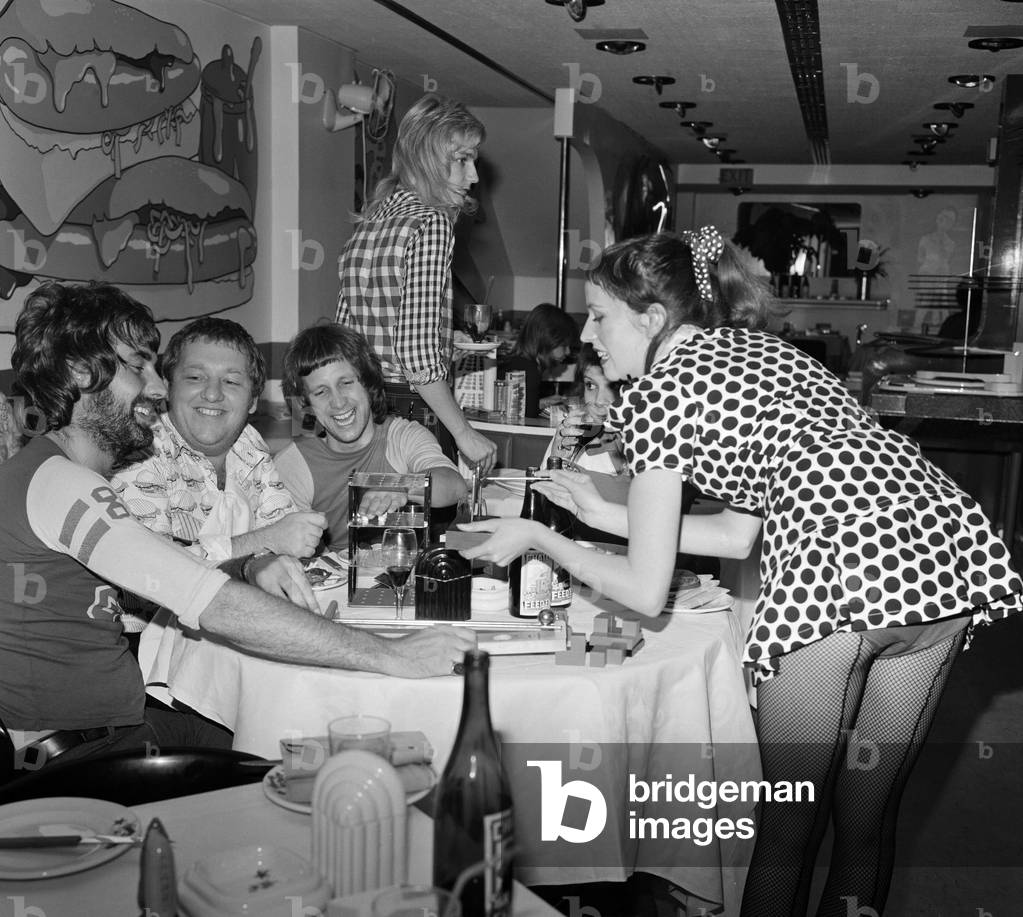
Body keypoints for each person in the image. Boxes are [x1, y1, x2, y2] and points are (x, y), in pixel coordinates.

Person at [458, 229, 1022, 917]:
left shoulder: (658, 395)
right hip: (937, 551)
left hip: (839, 562)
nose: (587, 333)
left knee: (788, 820)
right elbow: (733, 531)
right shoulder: (763, 352)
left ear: (652, 319)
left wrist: (541, 534)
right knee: (866, 814)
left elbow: (642, 590)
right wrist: (603, 516)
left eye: (599, 315)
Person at [0, 282, 475, 768]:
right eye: (139, 366)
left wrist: (254, 562)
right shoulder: (60, 485)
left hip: (120, 727)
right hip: (77, 759)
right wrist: (393, 655)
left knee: (311, 750)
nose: (160, 388)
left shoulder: (62, 474)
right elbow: (212, 601)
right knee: (306, 760)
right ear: (81, 372)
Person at [336, 93, 497, 474]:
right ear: (428, 157)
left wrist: (445, 345)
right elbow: (416, 355)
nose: (473, 176)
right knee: (426, 528)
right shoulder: (432, 222)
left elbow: (346, 336)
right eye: (462, 159)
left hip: (364, 404)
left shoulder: (373, 220)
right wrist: (464, 433)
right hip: (411, 409)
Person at [276, 323, 467, 551]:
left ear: (367, 383)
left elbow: (455, 487)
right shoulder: (294, 463)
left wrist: (401, 486)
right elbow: (288, 549)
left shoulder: (402, 436)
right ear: (306, 403)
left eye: (346, 383)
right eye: (321, 392)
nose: (338, 402)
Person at [543, 343, 626, 475]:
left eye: (612, 387)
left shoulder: (650, 441)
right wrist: (556, 461)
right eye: (591, 385)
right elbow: (541, 490)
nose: (599, 400)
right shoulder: (571, 434)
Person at [499, 302, 579, 419]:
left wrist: (542, 403)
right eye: (564, 345)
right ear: (547, 340)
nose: (567, 352)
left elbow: (522, 409)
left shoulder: (519, 362)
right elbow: (529, 421)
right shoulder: (529, 371)